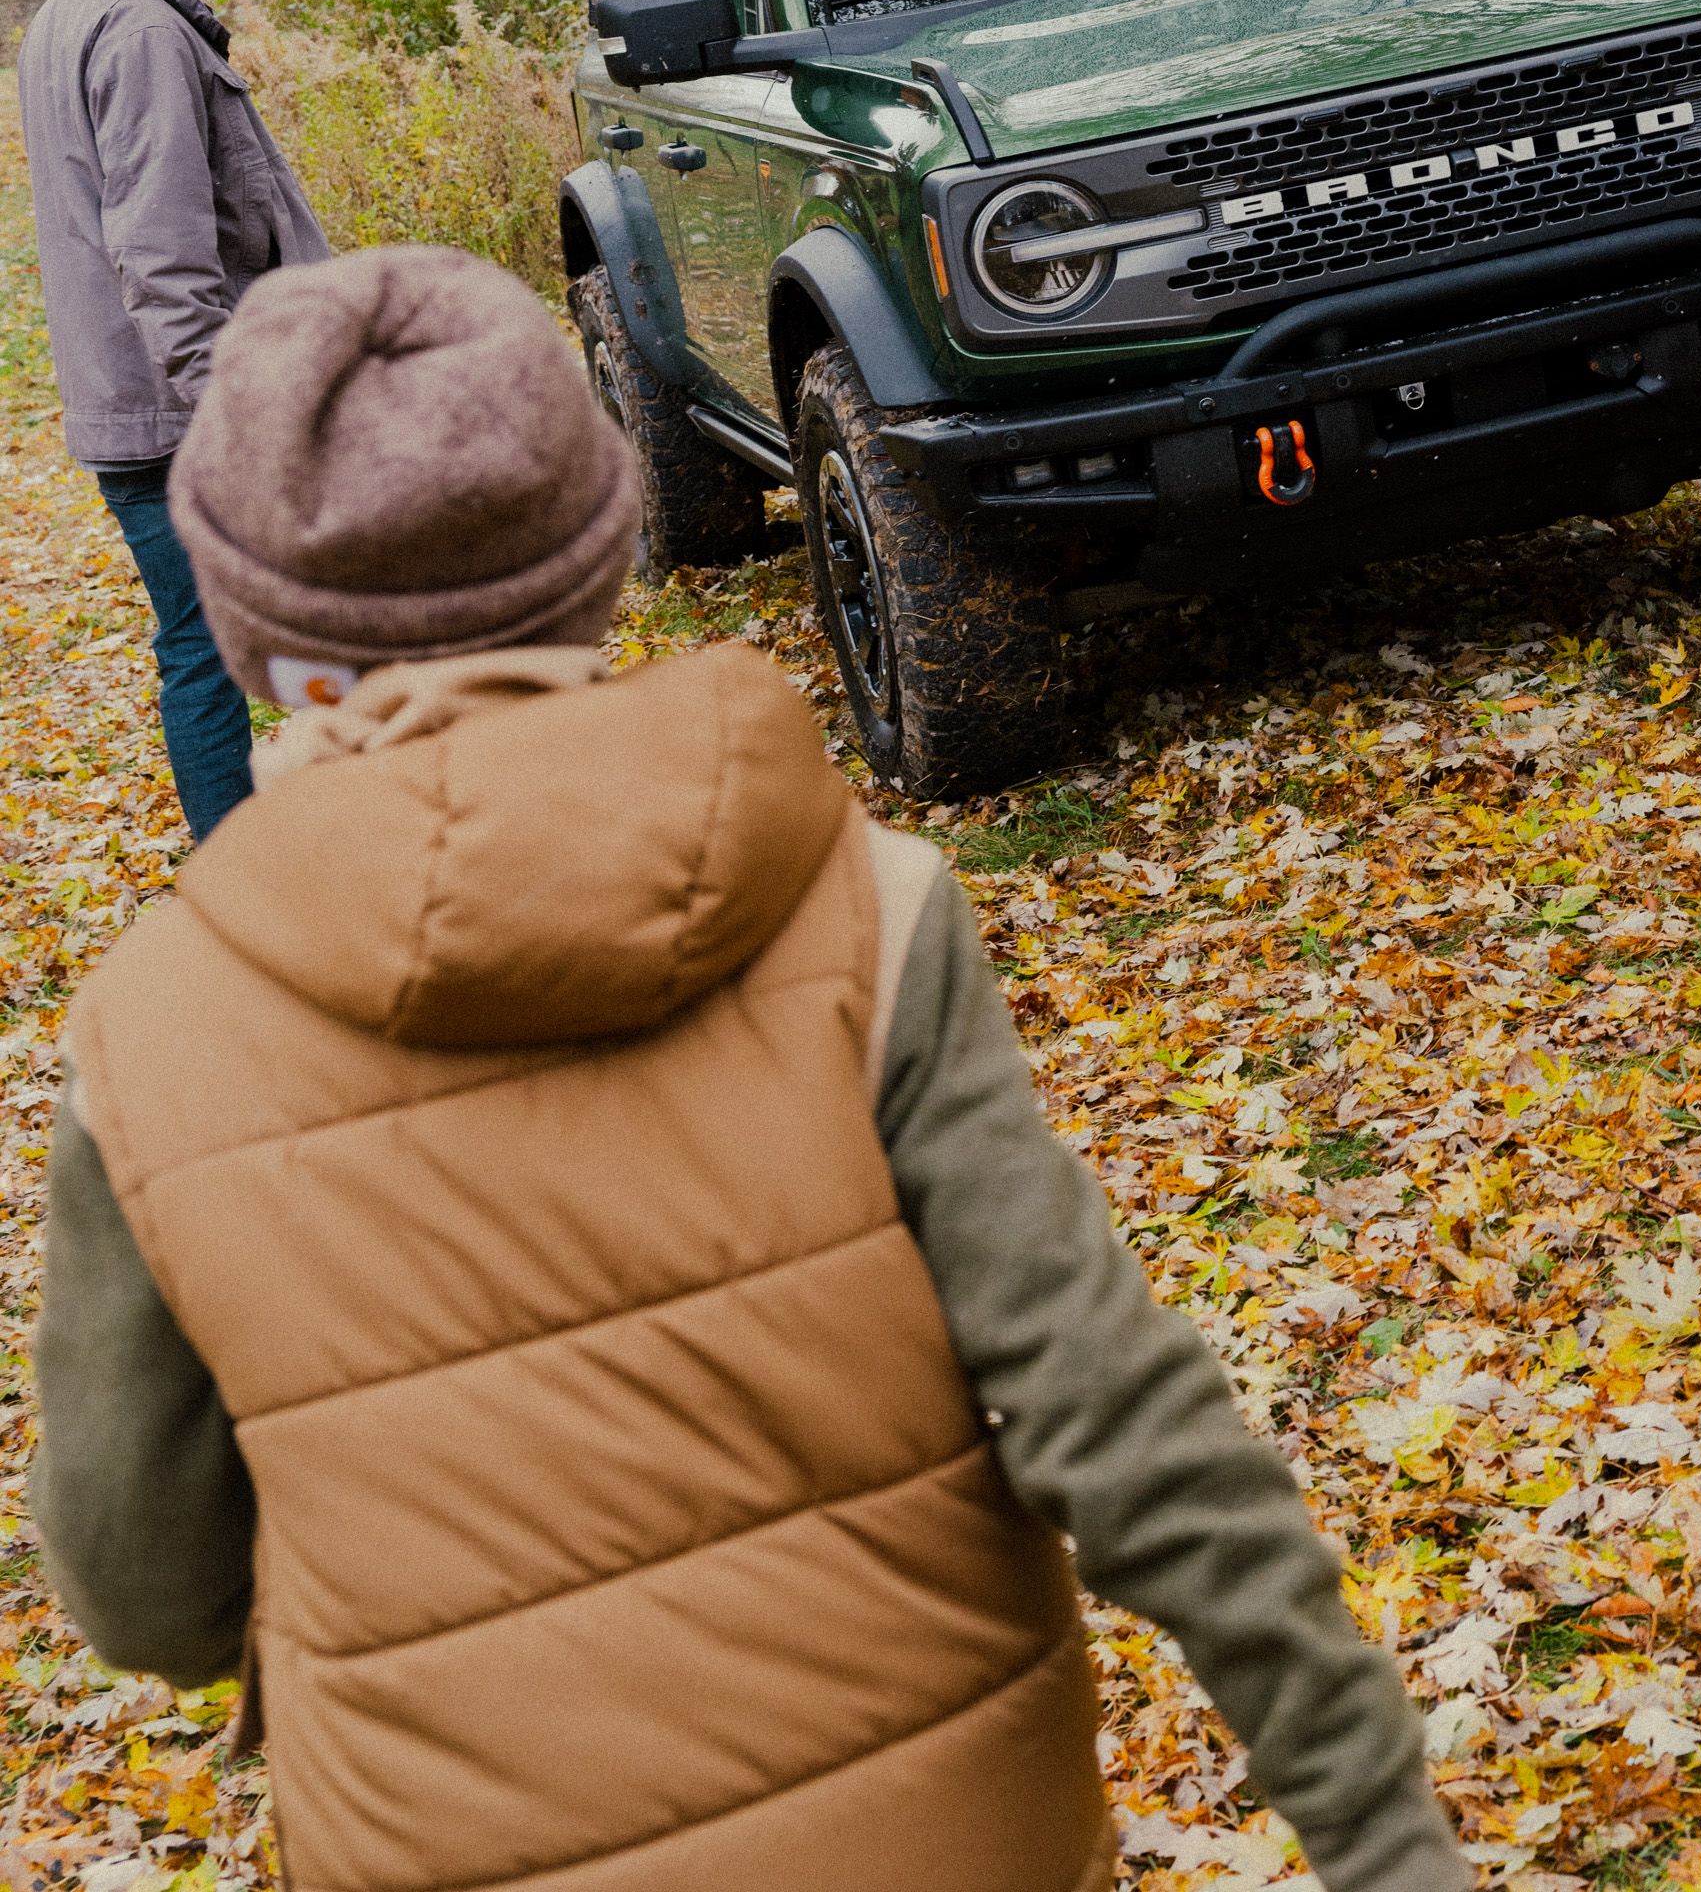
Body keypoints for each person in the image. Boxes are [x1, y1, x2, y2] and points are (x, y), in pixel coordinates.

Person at [30, 243, 1468, 1892]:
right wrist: (1384, 1843)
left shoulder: (148, 1044)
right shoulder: (861, 911)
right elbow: (1133, 1434)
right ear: (599, 560)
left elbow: (147, 1598)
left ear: (264, 631)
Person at [15, 0, 326, 839]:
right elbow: (161, 255)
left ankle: (285, 866)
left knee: (210, 639)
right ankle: (260, 889)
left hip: (136, 404)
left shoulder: (69, 14)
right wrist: (232, 410)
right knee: (212, 647)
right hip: (180, 414)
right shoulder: (144, 30)